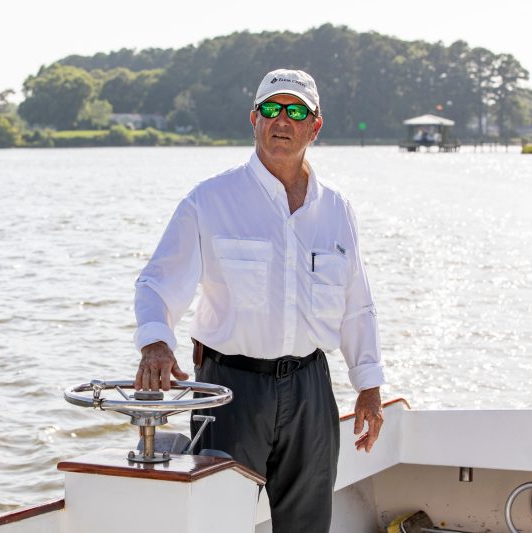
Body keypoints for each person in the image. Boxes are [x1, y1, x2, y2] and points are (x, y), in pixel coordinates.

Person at [132, 68, 384, 532]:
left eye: (294, 111)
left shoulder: (336, 209)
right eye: (271, 109)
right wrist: (156, 344)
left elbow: (357, 304)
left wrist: (368, 385)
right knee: (220, 521)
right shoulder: (208, 200)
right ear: (254, 120)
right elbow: (155, 283)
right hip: (230, 389)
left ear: (315, 126)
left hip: (311, 388)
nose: (281, 120)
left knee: (307, 525)